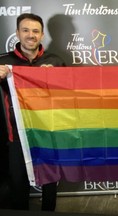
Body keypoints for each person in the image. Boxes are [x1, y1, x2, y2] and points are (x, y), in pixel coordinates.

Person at [0, 13, 65, 211]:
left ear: (42, 35)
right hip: (17, 135)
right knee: (18, 183)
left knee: (50, 181)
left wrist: (56, 80)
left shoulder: (55, 61)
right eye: (26, 30)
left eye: (35, 31)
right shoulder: (4, 62)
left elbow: (69, 95)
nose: (31, 35)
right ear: (17, 33)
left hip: (48, 131)